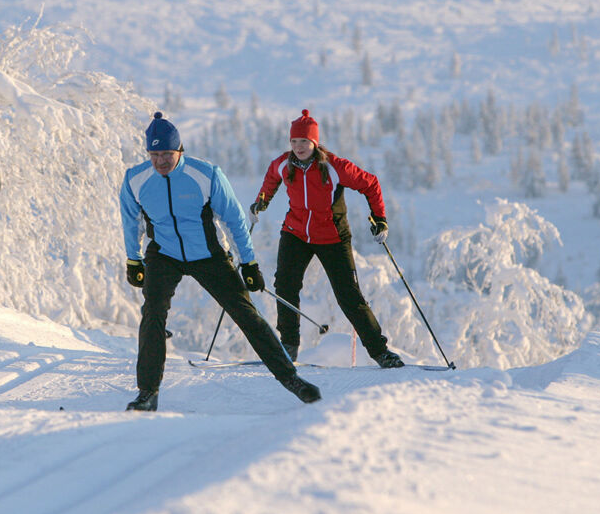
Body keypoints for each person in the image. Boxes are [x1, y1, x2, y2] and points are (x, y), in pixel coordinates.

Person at [120, 112, 321, 411]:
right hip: (164, 253)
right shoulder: (136, 179)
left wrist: (248, 262)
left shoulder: (206, 175)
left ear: (180, 150)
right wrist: (134, 259)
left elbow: (234, 220)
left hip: (208, 254)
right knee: (152, 313)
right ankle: (148, 393)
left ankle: (292, 379)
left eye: (167, 154)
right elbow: (130, 220)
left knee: (245, 313)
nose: (161, 161)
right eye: (155, 154)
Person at [251, 109, 405, 369]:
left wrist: (379, 218)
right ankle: (288, 347)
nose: (298, 147)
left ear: (314, 142)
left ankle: (380, 352)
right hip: (296, 233)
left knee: (348, 295)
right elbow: (271, 179)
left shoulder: (335, 167)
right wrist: (262, 200)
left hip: (332, 237)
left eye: (304, 142)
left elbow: (370, 183)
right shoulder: (282, 164)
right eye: (294, 142)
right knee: (285, 287)